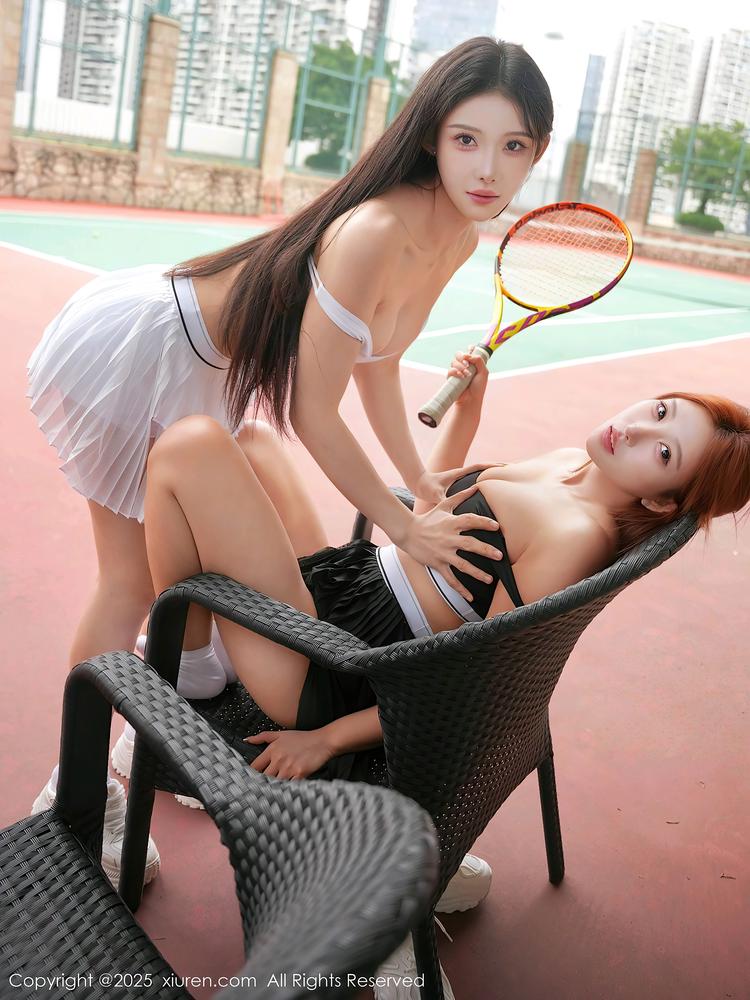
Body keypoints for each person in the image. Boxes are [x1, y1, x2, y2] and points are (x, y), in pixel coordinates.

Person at [27, 35, 553, 885]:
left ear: (537, 152)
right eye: (468, 139)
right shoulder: (376, 228)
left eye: (514, 144)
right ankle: (76, 795)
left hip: (206, 368)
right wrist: (403, 529)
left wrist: (419, 480)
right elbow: (312, 408)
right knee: (127, 583)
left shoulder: (457, 234)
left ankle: (156, 730)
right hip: (147, 345)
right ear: (432, 136)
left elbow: (379, 363)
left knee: (184, 558)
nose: (488, 167)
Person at [133, 349, 750, 998]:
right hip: (353, 585)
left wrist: (328, 738)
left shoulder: (575, 535)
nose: (639, 429)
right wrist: (468, 414)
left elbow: (472, 682)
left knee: (190, 448)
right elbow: (435, 512)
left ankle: (192, 671)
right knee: (252, 439)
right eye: (660, 411)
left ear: (660, 499)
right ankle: (200, 657)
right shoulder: (574, 464)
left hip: (339, 666)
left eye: (663, 452)